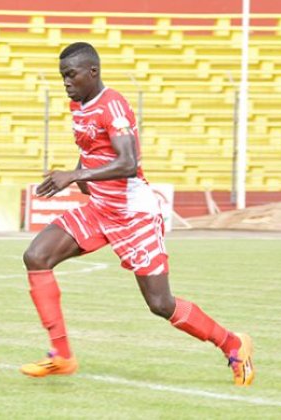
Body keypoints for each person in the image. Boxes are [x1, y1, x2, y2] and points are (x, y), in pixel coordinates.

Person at [19, 42, 255, 386]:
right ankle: (62, 356)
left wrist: (75, 176)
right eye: (62, 77)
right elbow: (89, 147)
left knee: (161, 304)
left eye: (71, 75)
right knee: (36, 256)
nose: (66, 83)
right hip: (101, 208)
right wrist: (80, 173)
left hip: (133, 215)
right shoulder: (78, 105)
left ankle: (233, 343)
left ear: (93, 72)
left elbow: (128, 163)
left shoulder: (113, 105)